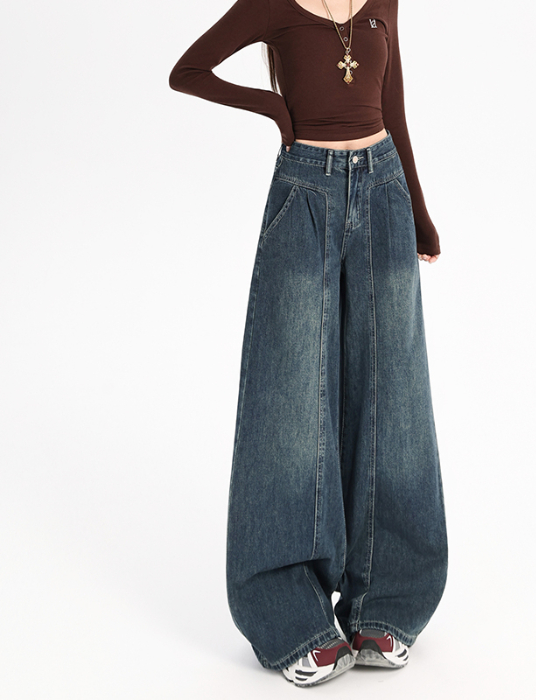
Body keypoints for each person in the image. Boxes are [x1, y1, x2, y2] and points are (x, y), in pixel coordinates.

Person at [169, 0, 447, 687]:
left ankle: (386, 601)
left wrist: (418, 210)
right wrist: (274, 108)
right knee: (292, 396)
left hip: (382, 188)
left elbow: (393, 104)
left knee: (393, 394)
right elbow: (188, 71)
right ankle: (290, 615)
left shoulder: (383, 2)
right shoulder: (270, 4)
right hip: (305, 193)